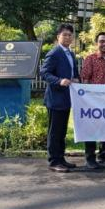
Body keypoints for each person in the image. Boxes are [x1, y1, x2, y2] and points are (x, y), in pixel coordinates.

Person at [40, 23, 79, 173]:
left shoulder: (70, 53)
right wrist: (59, 80)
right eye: (65, 35)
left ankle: (61, 159)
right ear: (58, 37)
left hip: (66, 98)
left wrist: (76, 78)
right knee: (55, 132)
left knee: (62, 132)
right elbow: (44, 73)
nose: (68, 37)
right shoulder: (54, 53)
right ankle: (54, 161)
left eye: (70, 35)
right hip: (55, 98)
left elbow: (73, 72)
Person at [79, 31, 105, 170]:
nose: (104, 43)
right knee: (91, 129)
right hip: (93, 101)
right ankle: (90, 158)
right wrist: (87, 99)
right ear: (96, 43)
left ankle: (103, 155)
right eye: (101, 41)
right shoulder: (90, 59)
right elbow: (85, 79)